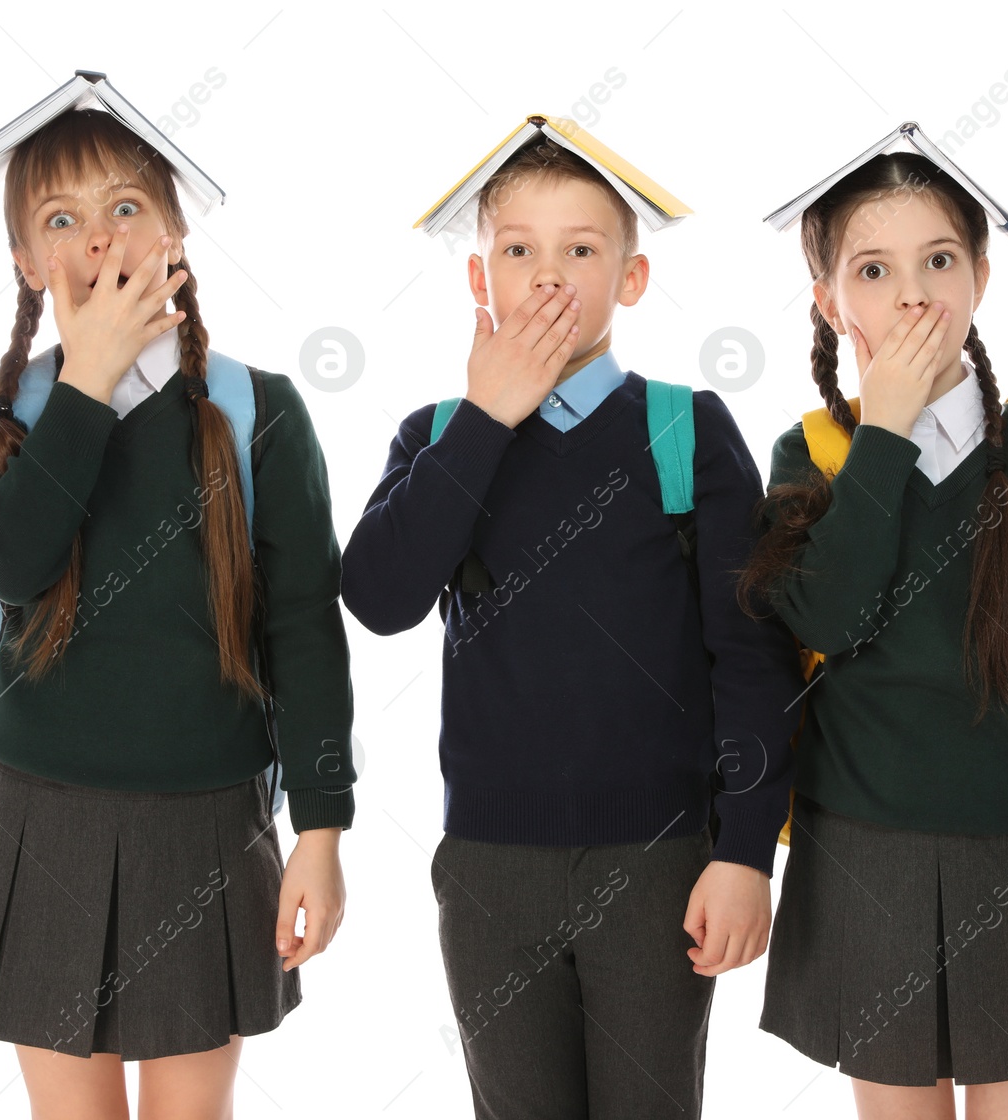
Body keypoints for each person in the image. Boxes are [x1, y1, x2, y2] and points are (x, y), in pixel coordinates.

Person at [340, 135, 802, 1119]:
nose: (547, 277)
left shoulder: (684, 430)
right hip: (489, 874)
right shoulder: (435, 437)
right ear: (478, 276)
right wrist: (485, 415)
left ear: (631, 278)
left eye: (580, 252)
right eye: (518, 252)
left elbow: (750, 660)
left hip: (660, 866)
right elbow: (378, 599)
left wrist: (745, 851)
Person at [0, 106, 354, 1118]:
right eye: (60, 217)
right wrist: (84, 379)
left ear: (174, 236)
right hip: (39, 812)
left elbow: (304, 628)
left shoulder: (258, 411)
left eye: (125, 206)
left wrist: (322, 826)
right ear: (25, 260)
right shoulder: (4, 415)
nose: (97, 236)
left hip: (207, 819)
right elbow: (8, 559)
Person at [740, 148, 1008, 1120]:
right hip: (858, 852)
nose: (912, 296)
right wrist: (881, 432)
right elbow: (828, 622)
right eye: (872, 271)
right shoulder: (814, 452)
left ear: (980, 277)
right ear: (831, 302)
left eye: (938, 262)